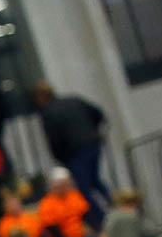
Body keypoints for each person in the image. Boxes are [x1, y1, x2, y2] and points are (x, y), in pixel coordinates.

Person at [33, 82, 111, 223]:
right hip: (93, 144)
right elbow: (98, 114)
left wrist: (61, 158)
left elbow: (54, 140)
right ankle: (114, 206)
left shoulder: (48, 113)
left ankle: (100, 221)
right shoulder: (74, 100)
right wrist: (94, 132)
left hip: (74, 152)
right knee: (95, 180)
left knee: (83, 189)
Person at [37, 167, 94, 237]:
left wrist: (97, 231)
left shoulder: (75, 195)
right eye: (61, 185)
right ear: (53, 186)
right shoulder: (46, 204)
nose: (65, 187)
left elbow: (87, 216)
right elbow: (55, 232)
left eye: (66, 184)